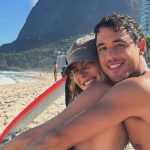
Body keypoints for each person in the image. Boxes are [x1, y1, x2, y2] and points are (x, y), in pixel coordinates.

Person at [26, 13, 150, 150]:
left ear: (141, 47)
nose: (110, 56)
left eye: (119, 45)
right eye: (102, 49)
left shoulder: (134, 87)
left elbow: (54, 139)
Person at [1, 35, 128, 150]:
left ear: (103, 61)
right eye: (75, 70)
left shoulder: (100, 90)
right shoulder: (124, 97)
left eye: (88, 63)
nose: (81, 74)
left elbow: (32, 137)